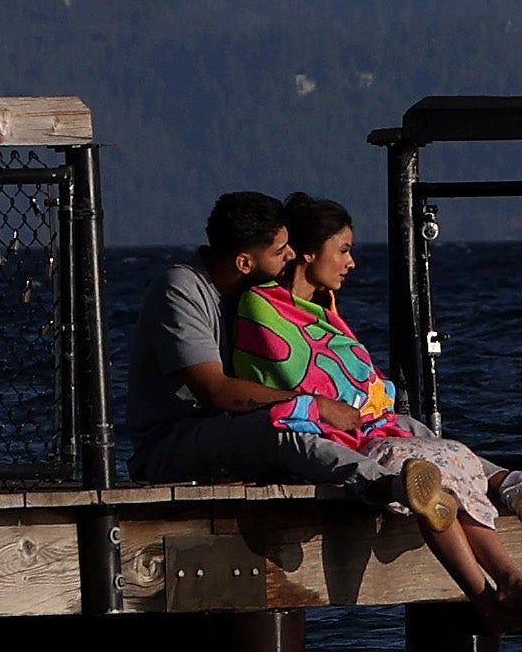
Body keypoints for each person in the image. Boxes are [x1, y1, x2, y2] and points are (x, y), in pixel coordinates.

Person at [227, 191, 522, 628]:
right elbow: (298, 379)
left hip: (364, 428)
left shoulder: (321, 310)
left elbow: (344, 376)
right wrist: (354, 403)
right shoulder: (264, 306)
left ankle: (510, 573)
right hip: (320, 439)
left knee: (446, 455)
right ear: (309, 253)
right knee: (423, 464)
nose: (351, 263)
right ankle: (492, 571)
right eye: (343, 250)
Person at [128, 190, 455, 528]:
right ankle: (389, 484)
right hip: (174, 443)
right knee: (282, 428)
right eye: (281, 251)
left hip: (228, 428)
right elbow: (215, 391)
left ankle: (492, 481)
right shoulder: (181, 289)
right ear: (244, 263)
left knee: (397, 422)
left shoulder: (254, 296)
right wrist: (315, 405)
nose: (291, 256)